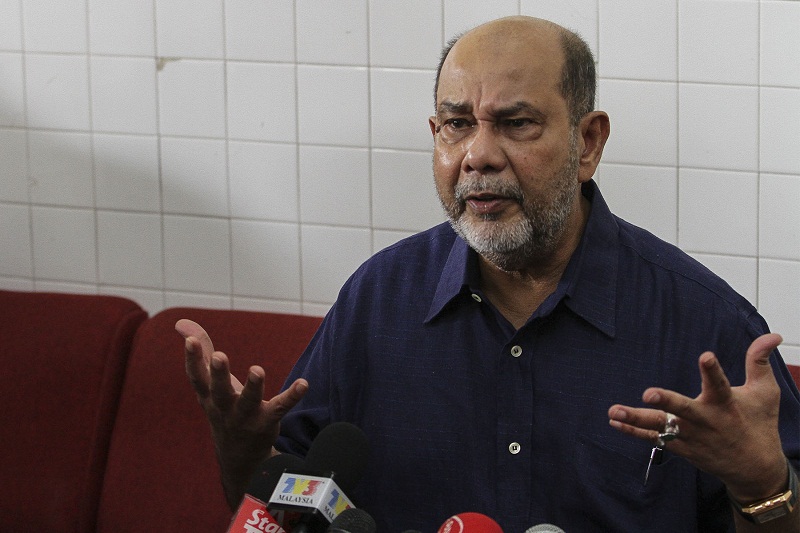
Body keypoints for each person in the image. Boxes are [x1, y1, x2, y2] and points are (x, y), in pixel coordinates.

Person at [177, 16, 800, 532]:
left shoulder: (704, 326)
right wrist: (244, 454)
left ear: (588, 142)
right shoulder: (378, 300)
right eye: (457, 124)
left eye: (516, 123)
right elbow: (279, 510)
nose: (477, 154)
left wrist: (762, 484)